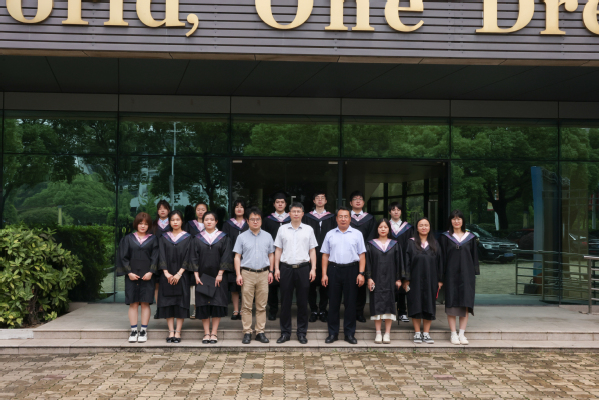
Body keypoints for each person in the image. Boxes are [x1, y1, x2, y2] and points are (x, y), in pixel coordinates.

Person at [274, 202, 318, 344]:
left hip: (303, 268)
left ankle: (302, 333)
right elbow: (278, 250)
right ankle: (285, 333)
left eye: (299, 211)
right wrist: (276, 268)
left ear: (303, 213)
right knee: (285, 302)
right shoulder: (282, 229)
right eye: (293, 211)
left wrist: (313, 268)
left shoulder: (308, 229)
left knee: (302, 302)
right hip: (286, 268)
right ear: (289, 214)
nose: (296, 214)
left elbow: (312, 250)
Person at [321, 206, 366, 345]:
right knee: (333, 303)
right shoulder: (330, 234)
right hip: (334, 270)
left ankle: (349, 334)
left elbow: (362, 255)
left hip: (352, 270)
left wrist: (361, 273)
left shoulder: (357, 234)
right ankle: (332, 333)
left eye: (346, 216)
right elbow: (325, 255)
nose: (343, 219)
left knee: (350, 303)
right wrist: (324, 274)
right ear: (336, 219)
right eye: (340, 216)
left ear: (350, 219)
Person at [233, 207, 275, 345]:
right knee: (246, 306)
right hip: (247, 273)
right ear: (247, 221)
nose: (255, 221)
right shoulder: (241, 237)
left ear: (261, 221)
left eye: (258, 219)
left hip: (263, 273)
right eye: (252, 219)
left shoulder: (268, 236)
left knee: (261, 305)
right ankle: (247, 332)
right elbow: (237, 257)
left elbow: (271, 255)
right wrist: (238, 274)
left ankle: (260, 332)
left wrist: (271, 271)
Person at [116, 212, 159, 343]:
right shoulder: (128, 239)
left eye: (146, 224)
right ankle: (134, 330)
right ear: (136, 224)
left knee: (145, 303)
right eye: (140, 223)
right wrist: (129, 272)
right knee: (133, 303)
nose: (143, 226)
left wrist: (151, 272)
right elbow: (123, 257)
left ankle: (143, 330)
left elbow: (156, 257)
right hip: (132, 276)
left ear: (149, 226)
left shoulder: (153, 239)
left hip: (147, 276)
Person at [191, 212, 233, 344]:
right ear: (203, 222)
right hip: (202, 276)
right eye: (206, 220)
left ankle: (214, 333)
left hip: (218, 277)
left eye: (211, 219)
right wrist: (196, 275)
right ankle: (206, 333)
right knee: (203, 304)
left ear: (216, 221)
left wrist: (220, 273)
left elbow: (226, 256)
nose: (209, 222)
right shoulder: (197, 238)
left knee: (216, 303)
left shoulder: (223, 237)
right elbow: (193, 257)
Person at [439, 209, 479, 345]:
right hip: (450, 275)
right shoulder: (445, 237)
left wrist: (474, 273)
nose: (456, 221)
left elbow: (474, 257)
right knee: (451, 304)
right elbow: (442, 258)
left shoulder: (470, 237)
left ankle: (462, 333)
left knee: (465, 304)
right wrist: (441, 277)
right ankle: (453, 334)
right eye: (454, 218)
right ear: (450, 221)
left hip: (467, 275)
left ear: (463, 221)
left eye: (459, 218)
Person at [403, 217, 443, 345]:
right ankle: (417, 333)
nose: (424, 227)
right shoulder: (411, 243)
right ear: (417, 227)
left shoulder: (435, 244)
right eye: (421, 225)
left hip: (431, 280)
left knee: (429, 305)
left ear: (430, 227)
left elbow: (440, 263)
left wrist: (440, 280)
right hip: (414, 280)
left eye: (426, 225)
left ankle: (426, 333)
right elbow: (406, 262)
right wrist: (406, 279)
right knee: (415, 304)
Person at [156, 210, 193, 343]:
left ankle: (178, 331)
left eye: (178, 219)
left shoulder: (188, 238)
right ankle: (171, 331)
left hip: (182, 275)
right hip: (166, 275)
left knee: (180, 303)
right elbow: (161, 255)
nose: (175, 222)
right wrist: (166, 273)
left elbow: (189, 256)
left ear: (182, 221)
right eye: (172, 220)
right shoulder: (164, 237)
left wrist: (179, 273)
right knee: (168, 303)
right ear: (169, 222)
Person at [366, 219, 403, 344]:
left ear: (389, 229)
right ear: (377, 229)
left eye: (385, 227)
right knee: (376, 304)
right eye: (380, 227)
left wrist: (399, 278)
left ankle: (387, 333)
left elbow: (399, 262)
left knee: (389, 305)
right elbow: (368, 262)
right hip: (376, 279)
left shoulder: (395, 244)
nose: (383, 229)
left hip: (390, 280)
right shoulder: (371, 244)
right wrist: (369, 277)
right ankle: (378, 333)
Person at [302, 191, 337, 323]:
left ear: (326, 201)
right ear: (314, 201)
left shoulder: (332, 218)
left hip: (327, 255)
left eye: (323, 198)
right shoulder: (307, 217)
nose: (320, 200)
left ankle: (322, 310)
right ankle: (313, 310)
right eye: (317, 198)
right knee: (310, 285)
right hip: (310, 255)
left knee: (325, 284)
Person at [348, 190, 377, 323]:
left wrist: (364, 249)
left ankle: (359, 312)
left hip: (364, 254)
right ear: (350, 203)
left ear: (364, 202)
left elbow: (371, 236)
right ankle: (349, 311)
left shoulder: (370, 218)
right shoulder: (345, 217)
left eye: (360, 199)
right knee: (348, 285)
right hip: (348, 255)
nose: (358, 201)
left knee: (361, 284)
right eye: (355, 199)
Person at [262, 192, 291, 321]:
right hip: (272, 255)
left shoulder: (291, 219)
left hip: (288, 256)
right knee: (272, 285)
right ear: (274, 204)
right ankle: (273, 310)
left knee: (286, 286)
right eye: (277, 202)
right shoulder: (268, 220)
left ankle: (285, 310)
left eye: (282, 202)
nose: (280, 204)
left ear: (286, 204)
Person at [222, 199, 249, 321]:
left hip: (247, 258)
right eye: (237, 206)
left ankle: (243, 310)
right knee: (234, 286)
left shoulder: (248, 223)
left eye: (241, 206)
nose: (239, 209)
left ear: (244, 209)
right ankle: (235, 309)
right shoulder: (228, 224)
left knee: (246, 286)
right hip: (233, 258)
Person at [388, 202, 413, 323]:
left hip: (404, 259)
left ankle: (402, 312)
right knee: (388, 285)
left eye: (398, 209)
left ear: (401, 212)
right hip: (388, 259)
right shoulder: (385, 226)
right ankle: (389, 311)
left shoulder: (408, 227)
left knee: (403, 286)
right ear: (389, 212)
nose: (396, 212)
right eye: (393, 209)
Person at [184, 202, 208, 318]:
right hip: (193, 257)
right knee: (194, 284)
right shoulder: (190, 225)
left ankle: (205, 308)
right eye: (198, 209)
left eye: (203, 209)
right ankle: (195, 308)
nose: (200, 211)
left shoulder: (210, 223)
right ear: (195, 211)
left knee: (205, 281)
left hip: (206, 258)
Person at [153, 200, 171, 320]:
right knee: (157, 285)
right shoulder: (153, 225)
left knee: (169, 283)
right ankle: (159, 308)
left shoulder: (174, 223)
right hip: (156, 258)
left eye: (164, 208)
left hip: (170, 258)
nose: (162, 210)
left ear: (168, 210)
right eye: (160, 208)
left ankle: (168, 308)